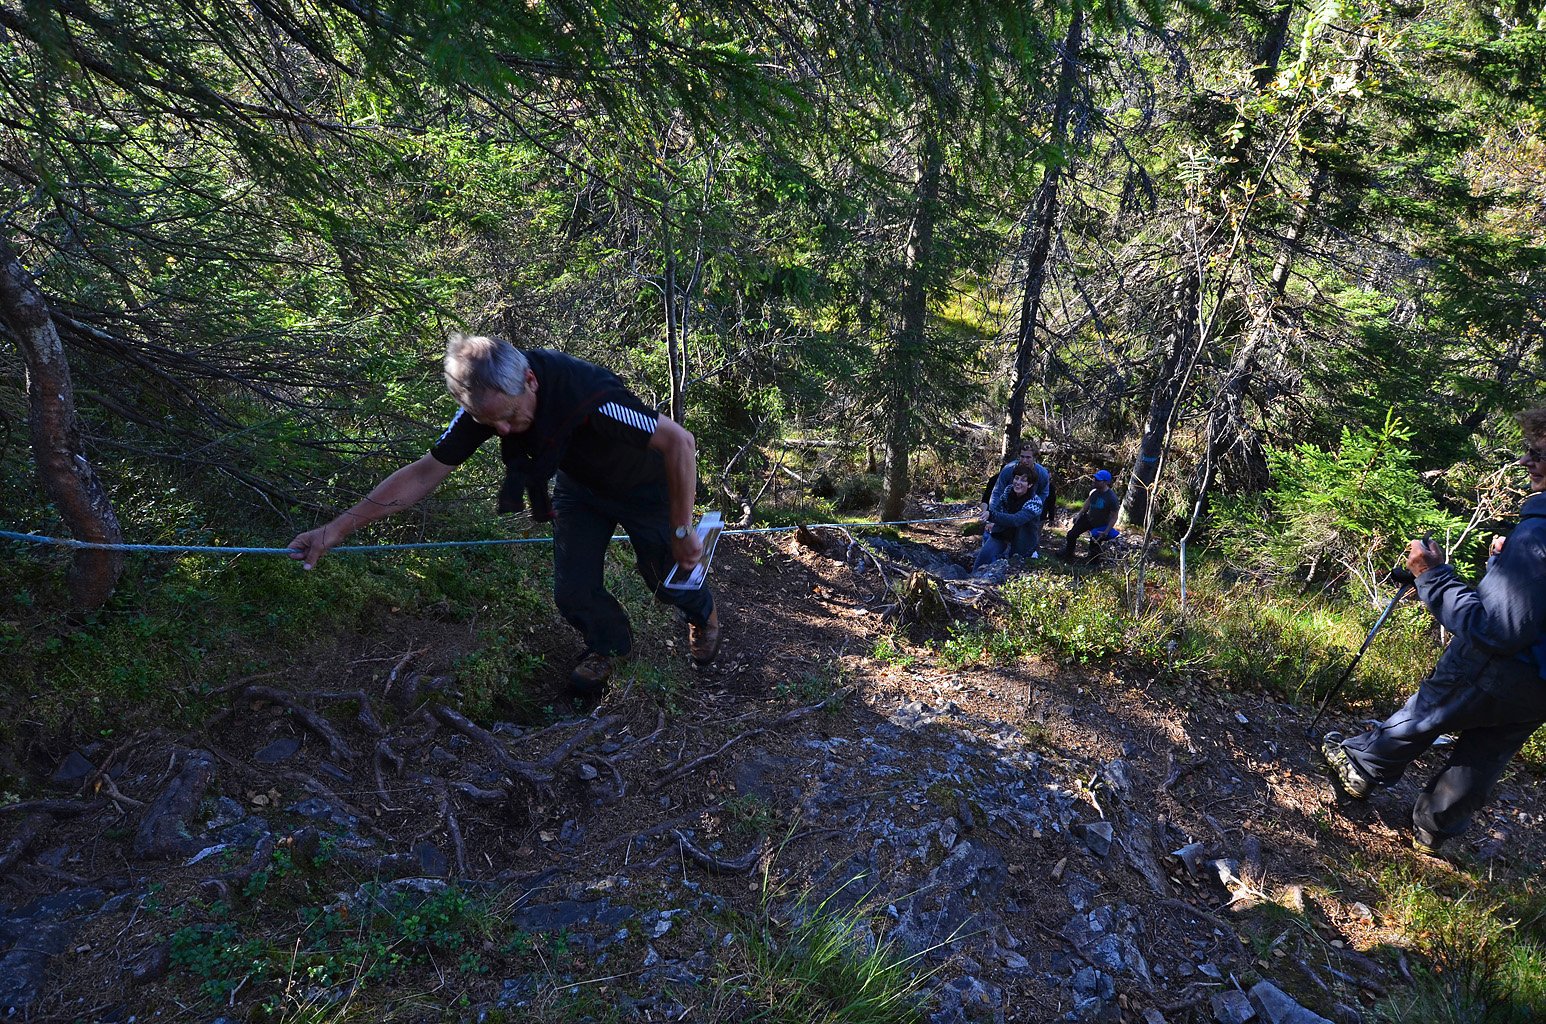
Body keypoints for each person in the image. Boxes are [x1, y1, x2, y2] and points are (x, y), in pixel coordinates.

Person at [287, 333, 721, 706]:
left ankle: (702, 615)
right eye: (490, 423)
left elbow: (680, 443)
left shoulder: (593, 396)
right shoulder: (489, 402)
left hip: (645, 488)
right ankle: (607, 647)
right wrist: (334, 530)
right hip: (581, 489)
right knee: (573, 590)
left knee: (669, 581)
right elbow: (423, 474)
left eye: (511, 417)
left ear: (530, 381)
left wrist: (683, 529)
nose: (506, 432)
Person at [1320, 407, 1546, 856]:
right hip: (1539, 686)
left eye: (1537, 453)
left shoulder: (1539, 534)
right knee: (1485, 753)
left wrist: (1431, 574)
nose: (1527, 463)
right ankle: (1434, 827)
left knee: (1434, 709)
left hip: (1498, 667)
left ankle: (1361, 768)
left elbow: (1497, 631)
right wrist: (1504, 569)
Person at [982, 441, 1052, 559]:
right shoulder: (1009, 469)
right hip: (1007, 508)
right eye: (1022, 456)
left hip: (1029, 512)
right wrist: (992, 515)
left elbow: (1044, 493)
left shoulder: (1042, 473)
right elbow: (997, 491)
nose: (1024, 460)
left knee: (1023, 541)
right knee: (991, 542)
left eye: (1028, 457)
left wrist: (1032, 507)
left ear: (1034, 458)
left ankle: (1025, 555)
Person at [974, 466, 1041, 570]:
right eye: (1016, 478)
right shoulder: (1008, 491)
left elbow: (1016, 520)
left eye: (1023, 480)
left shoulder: (1035, 503)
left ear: (1030, 485)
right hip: (1001, 534)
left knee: (1011, 572)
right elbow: (998, 508)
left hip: (1022, 542)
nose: (1018, 482)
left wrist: (991, 515)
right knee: (981, 560)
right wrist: (989, 519)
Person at [1062, 469, 1121, 563]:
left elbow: (1114, 517)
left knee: (1095, 542)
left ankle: (1093, 562)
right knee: (1071, 534)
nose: (1095, 481)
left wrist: (1106, 531)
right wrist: (1080, 514)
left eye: (1098, 480)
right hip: (1089, 518)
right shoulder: (1094, 491)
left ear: (1105, 482)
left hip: (1101, 523)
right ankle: (1068, 553)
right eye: (1095, 479)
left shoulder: (1111, 498)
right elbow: (1088, 502)